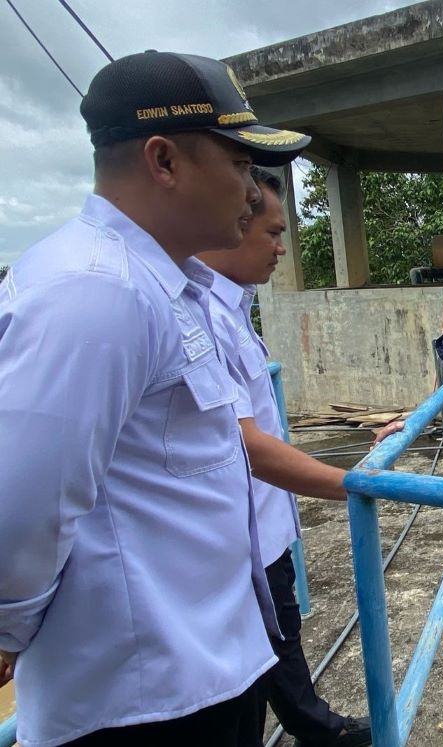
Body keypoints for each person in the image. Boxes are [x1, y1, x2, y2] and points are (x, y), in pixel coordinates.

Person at [0, 51, 310, 747]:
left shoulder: (161, 283)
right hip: (143, 700)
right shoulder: (96, 293)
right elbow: (23, 505)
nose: (253, 193)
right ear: (164, 160)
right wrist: (7, 629)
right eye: (240, 165)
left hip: (199, 669)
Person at [197, 167, 404, 747]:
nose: (281, 248)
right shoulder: (202, 316)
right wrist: (354, 483)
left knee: (276, 644)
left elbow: (257, 427)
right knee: (259, 661)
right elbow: (244, 443)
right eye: (271, 232)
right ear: (235, 223)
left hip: (262, 526)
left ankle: (316, 726)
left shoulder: (232, 309)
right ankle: (321, 730)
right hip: (238, 538)